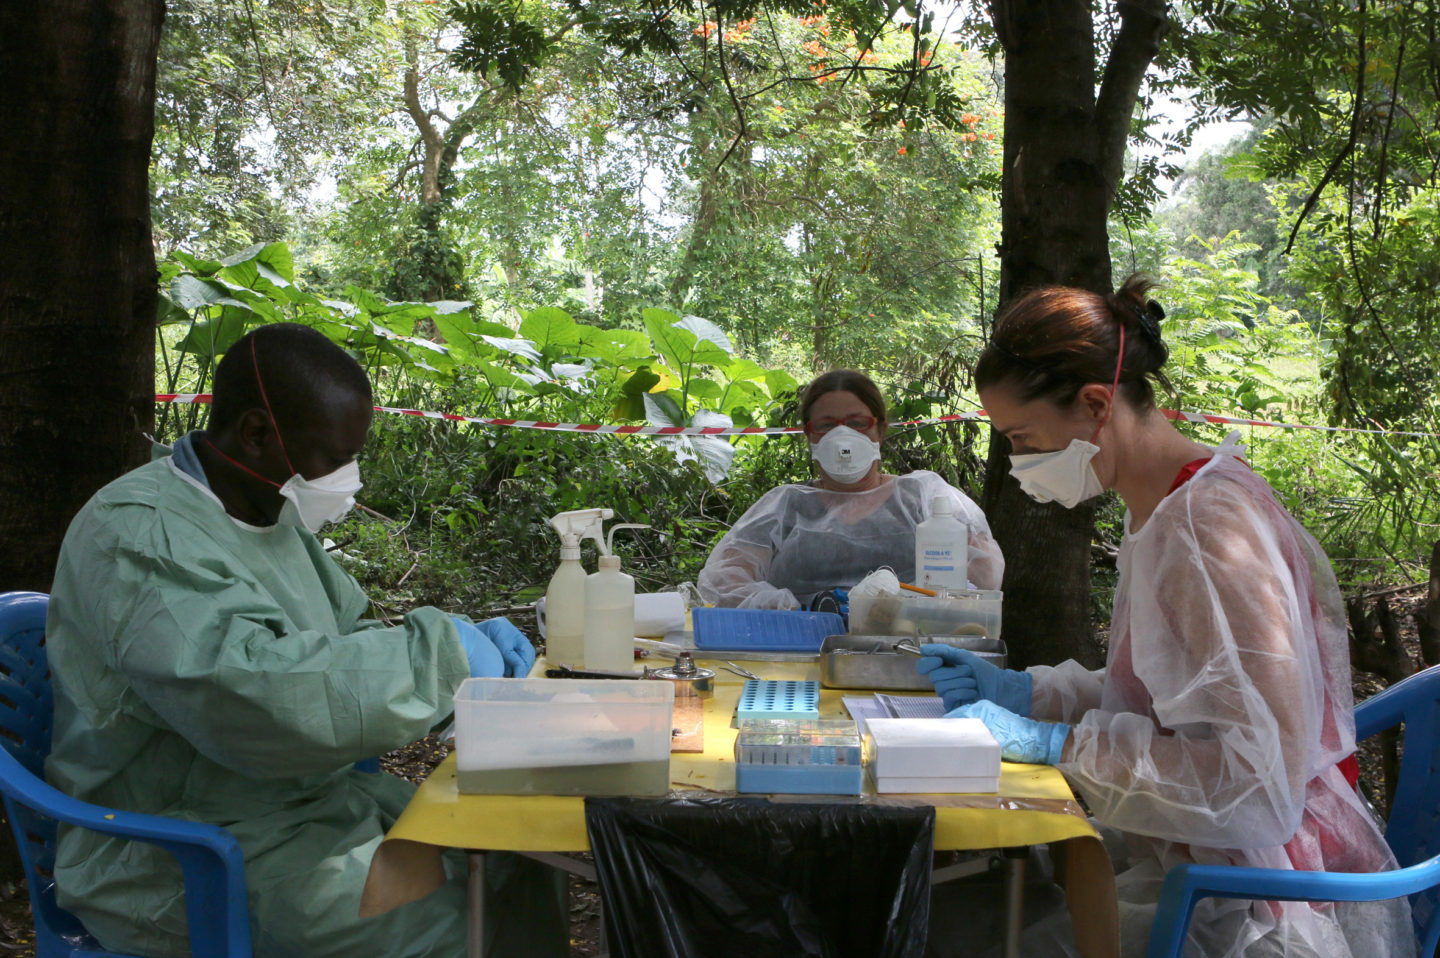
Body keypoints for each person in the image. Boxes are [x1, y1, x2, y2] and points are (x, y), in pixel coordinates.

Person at [916, 277, 1413, 957]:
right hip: (1198, 853)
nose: (1019, 463)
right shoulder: (1160, 510)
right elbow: (1173, 693)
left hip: (1254, 897)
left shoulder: (1205, 531)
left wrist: (1056, 744)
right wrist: (1030, 693)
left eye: (1022, 438)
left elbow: (1254, 784)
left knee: (963, 930)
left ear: (1097, 404)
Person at [45, 323, 567, 958]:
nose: (348, 478)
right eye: (334, 458)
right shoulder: (140, 534)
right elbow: (253, 698)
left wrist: (459, 677)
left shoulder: (267, 514)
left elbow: (342, 642)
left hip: (307, 811)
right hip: (181, 850)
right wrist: (439, 658)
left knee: (518, 858)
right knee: (458, 925)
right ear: (256, 433)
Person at [697, 369, 1003, 610]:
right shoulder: (785, 506)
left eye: (857, 423)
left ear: (880, 429)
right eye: (826, 425)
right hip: (798, 645)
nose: (842, 436)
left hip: (907, 645)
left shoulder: (923, 495)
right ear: (809, 435)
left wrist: (927, 606)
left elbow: (985, 575)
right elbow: (723, 580)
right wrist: (786, 608)